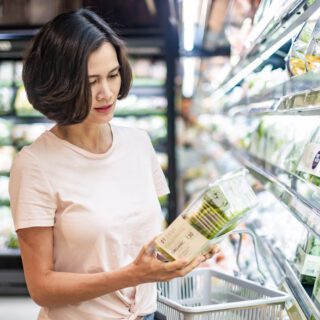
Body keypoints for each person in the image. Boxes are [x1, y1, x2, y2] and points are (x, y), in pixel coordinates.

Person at [9, 8, 218, 320]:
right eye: (90, 81)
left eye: (112, 75)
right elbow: (42, 287)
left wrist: (192, 242)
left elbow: (132, 238)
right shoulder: (35, 164)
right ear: (60, 83)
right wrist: (133, 275)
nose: (106, 93)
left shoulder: (138, 143)